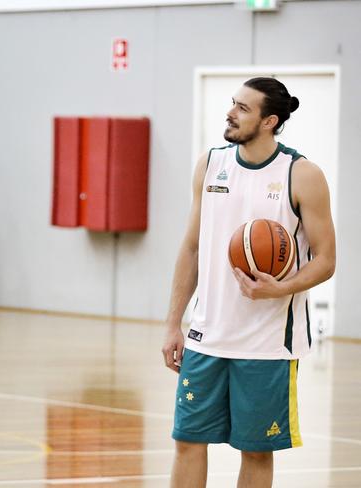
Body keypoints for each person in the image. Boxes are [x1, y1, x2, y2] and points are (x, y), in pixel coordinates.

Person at [162, 77, 336, 488]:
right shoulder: (210, 164)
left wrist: (276, 288)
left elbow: (327, 260)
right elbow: (190, 249)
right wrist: (173, 323)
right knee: (187, 442)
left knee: (256, 451)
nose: (230, 112)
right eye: (232, 103)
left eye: (243, 108)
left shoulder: (302, 174)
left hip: (268, 344)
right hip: (206, 336)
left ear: (270, 121)